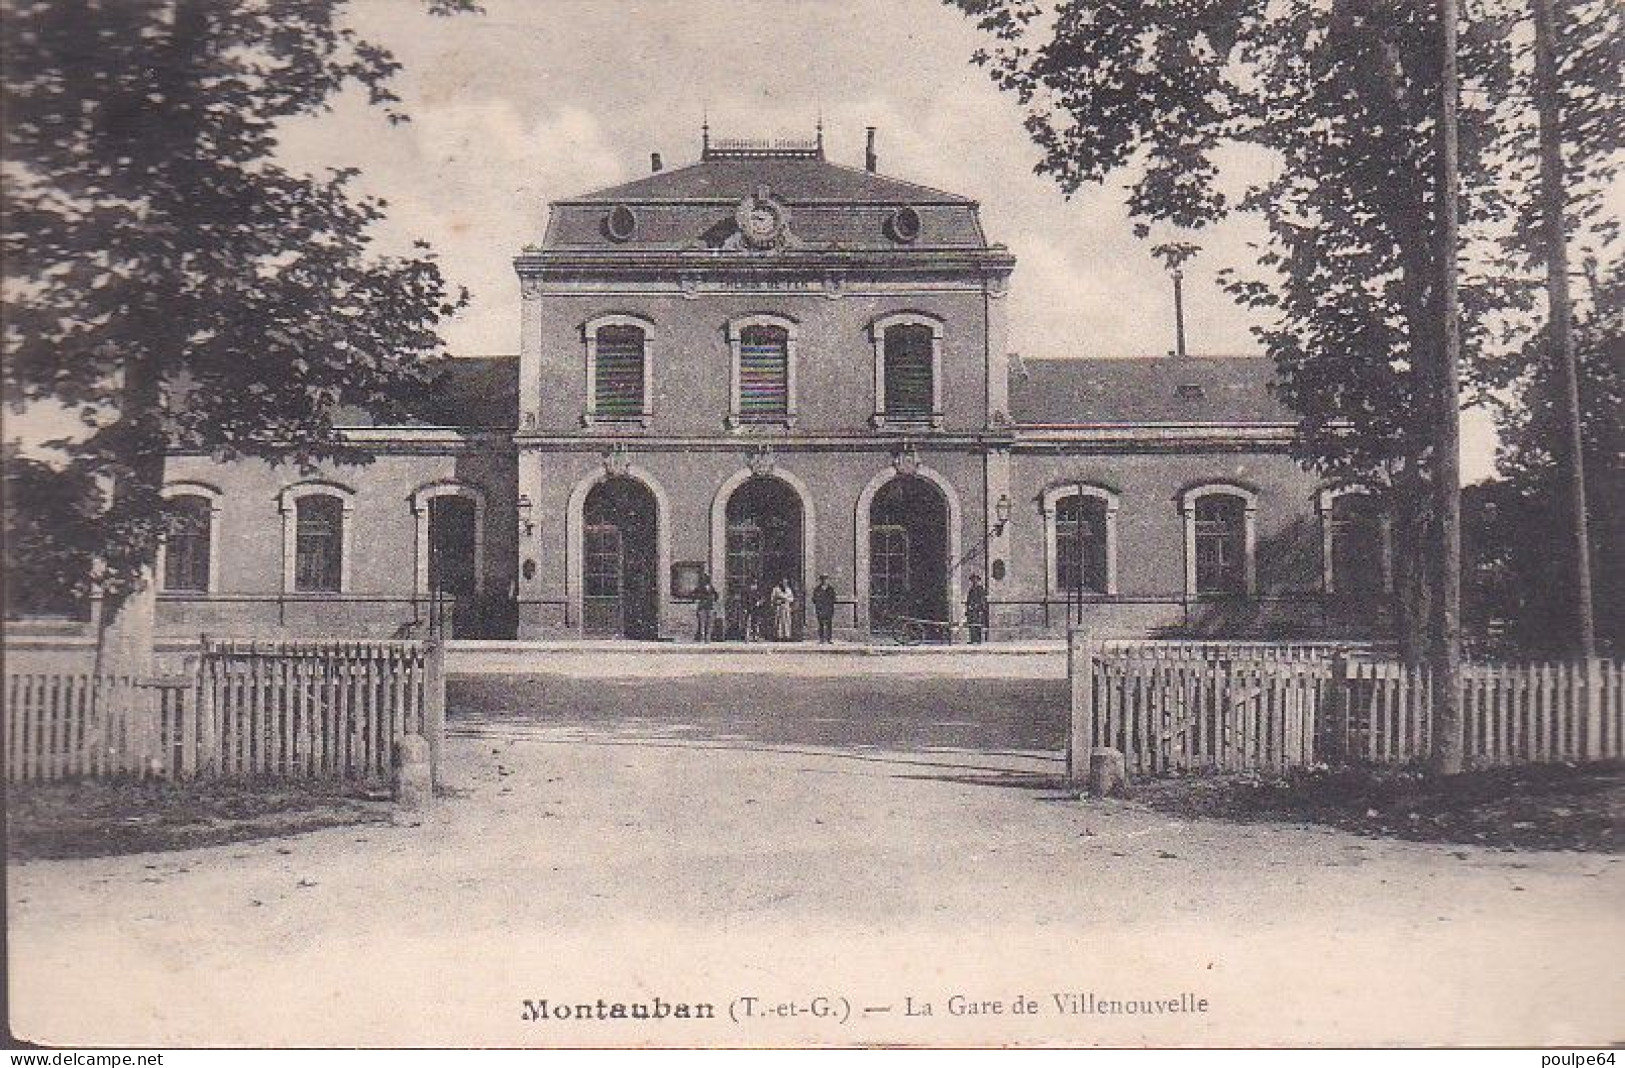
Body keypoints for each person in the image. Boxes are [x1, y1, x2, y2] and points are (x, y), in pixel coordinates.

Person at [811, 574, 837, 643]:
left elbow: (834, 598)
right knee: (820, 624)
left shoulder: (831, 589)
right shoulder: (817, 589)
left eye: (826, 579)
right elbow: (814, 599)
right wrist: (818, 603)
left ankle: (829, 639)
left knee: (829, 624)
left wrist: (829, 603)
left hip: (829, 608)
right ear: (821, 580)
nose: (825, 581)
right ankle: (821, 639)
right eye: (823, 579)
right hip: (820, 609)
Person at [965, 573, 989, 644]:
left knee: (978, 624)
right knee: (971, 624)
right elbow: (968, 600)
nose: (973, 581)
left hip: (978, 610)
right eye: (972, 580)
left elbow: (982, 600)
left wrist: (978, 607)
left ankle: (978, 640)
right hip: (971, 610)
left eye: (975, 580)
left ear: (978, 580)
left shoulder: (980, 589)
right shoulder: (971, 589)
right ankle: (972, 639)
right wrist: (968, 607)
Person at [694, 572, 718, 643]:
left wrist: (713, 600)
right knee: (702, 624)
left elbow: (716, 595)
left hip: (709, 607)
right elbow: (694, 594)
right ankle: (702, 638)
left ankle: (707, 638)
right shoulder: (699, 587)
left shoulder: (711, 587)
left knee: (708, 624)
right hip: (702, 607)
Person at [770, 577, 796, 642]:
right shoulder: (776, 589)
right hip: (779, 607)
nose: (784, 583)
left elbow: (792, 598)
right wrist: (778, 601)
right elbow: (772, 599)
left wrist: (787, 600)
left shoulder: (788, 589)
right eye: (783, 582)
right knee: (779, 621)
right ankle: (779, 636)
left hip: (786, 606)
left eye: (785, 582)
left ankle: (787, 636)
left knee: (787, 621)